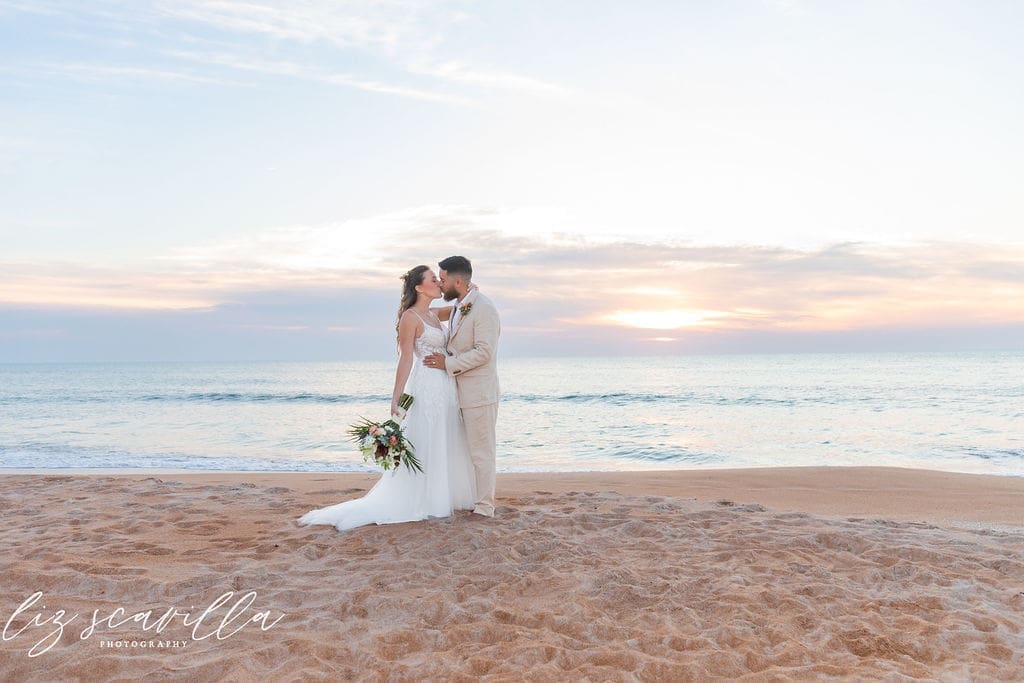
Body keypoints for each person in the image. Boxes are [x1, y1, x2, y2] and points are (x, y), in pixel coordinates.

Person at [298, 265, 476, 531]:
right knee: (427, 439)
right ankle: (428, 500)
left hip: (445, 385)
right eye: (433, 279)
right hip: (426, 385)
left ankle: (444, 496)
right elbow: (405, 358)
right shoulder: (411, 317)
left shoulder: (434, 313)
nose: (439, 283)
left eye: (440, 279)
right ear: (418, 287)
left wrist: (469, 291)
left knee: (445, 436)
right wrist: (396, 398)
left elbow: (463, 308)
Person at [423, 255, 501, 517]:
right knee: (465, 452)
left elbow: (484, 352)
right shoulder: (459, 305)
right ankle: (470, 499)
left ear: (458, 281)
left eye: (442, 280)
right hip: (457, 393)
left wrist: (448, 363)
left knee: (481, 453)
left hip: (479, 394)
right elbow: (428, 314)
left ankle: (484, 507)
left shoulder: (484, 309)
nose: (440, 284)